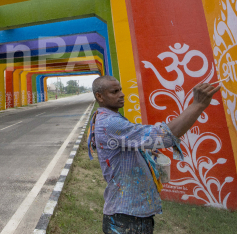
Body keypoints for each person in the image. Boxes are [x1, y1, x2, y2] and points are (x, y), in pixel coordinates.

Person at [87, 75, 220, 234]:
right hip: (127, 217)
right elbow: (163, 137)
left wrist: (143, 149)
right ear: (99, 96)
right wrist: (197, 105)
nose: (122, 94)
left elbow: (121, 143)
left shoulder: (105, 117)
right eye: (115, 91)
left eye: (120, 90)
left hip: (127, 214)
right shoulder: (111, 122)